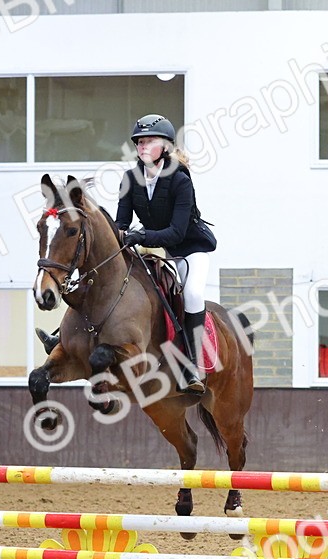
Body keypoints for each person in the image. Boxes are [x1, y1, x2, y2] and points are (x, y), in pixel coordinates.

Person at [115, 114, 217, 394]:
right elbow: (121, 223)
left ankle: (192, 368)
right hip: (160, 249)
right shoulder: (129, 179)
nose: (142, 147)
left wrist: (142, 235)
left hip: (190, 250)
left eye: (149, 142)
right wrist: (117, 236)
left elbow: (177, 233)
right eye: (139, 143)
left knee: (192, 294)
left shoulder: (180, 181)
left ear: (165, 147)